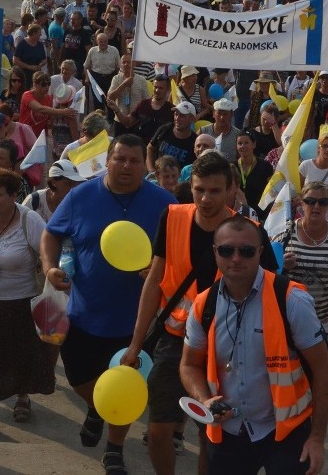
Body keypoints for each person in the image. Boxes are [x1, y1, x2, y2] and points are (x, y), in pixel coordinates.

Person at [122, 153, 276, 474]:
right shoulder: (173, 217)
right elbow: (155, 281)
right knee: (158, 431)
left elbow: (273, 294)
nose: (206, 199)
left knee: (211, 434)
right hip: (174, 341)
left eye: (215, 191)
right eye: (199, 189)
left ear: (232, 190)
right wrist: (136, 343)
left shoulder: (250, 234)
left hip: (226, 348)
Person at [40, 134, 176, 475]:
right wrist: (49, 267)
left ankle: (114, 449)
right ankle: (97, 407)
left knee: (124, 388)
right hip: (84, 316)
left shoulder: (164, 203)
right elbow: (51, 233)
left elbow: (178, 253)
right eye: (120, 159)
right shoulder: (80, 196)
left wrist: (160, 267)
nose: (127, 166)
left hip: (136, 323)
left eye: (134, 160)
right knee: (79, 379)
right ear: (108, 161)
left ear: (144, 166)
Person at [181, 215, 328, 475]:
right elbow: (188, 364)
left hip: (286, 433)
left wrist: (317, 438)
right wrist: (204, 400)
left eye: (247, 251)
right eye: (227, 250)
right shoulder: (203, 304)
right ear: (216, 252)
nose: (236, 258)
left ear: (260, 252)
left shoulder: (291, 299)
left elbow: (323, 371)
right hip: (228, 433)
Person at [0, 169, 57, 431]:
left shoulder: (30, 220)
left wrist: (52, 270)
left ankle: (22, 398)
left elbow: (49, 249)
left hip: (21, 302)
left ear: (15, 196)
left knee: (21, 357)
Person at [276, 181, 328, 358]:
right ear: (301, 203)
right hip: (289, 320)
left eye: (323, 202)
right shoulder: (285, 233)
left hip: (325, 321)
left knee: (321, 375)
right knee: (289, 377)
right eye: (310, 201)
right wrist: (281, 265)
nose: (316, 206)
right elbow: (267, 274)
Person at [115, 73, 174, 144]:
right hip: (140, 147)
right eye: (155, 87)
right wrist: (116, 110)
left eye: (161, 88)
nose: (157, 90)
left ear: (168, 89)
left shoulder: (172, 110)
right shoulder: (143, 104)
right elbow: (127, 122)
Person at [22, 160, 86, 222]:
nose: (73, 188)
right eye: (68, 183)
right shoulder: (33, 201)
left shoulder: (77, 206)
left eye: (76, 184)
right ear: (53, 182)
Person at [147, 102, 197, 172]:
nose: (177, 118)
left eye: (182, 116)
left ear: (192, 119)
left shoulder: (195, 142)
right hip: (157, 176)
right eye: (176, 114)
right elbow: (150, 148)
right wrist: (151, 170)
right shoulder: (165, 128)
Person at [107, 53, 150, 136]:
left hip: (136, 121)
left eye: (129, 62)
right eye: (124, 62)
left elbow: (147, 101)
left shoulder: (142, 80)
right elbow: (110, 98)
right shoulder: (116, 78)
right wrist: (124, 84)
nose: (126, 64)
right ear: (121, 64)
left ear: (133, 64)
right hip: (119, 120)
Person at [236, 130, 273, 217]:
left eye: (246, 143)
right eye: (240, 143)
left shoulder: (265, 166)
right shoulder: (231, 167)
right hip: (238, 213)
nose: (243, 146)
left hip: (260, 214)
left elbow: (271, 190)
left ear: (254, 144)